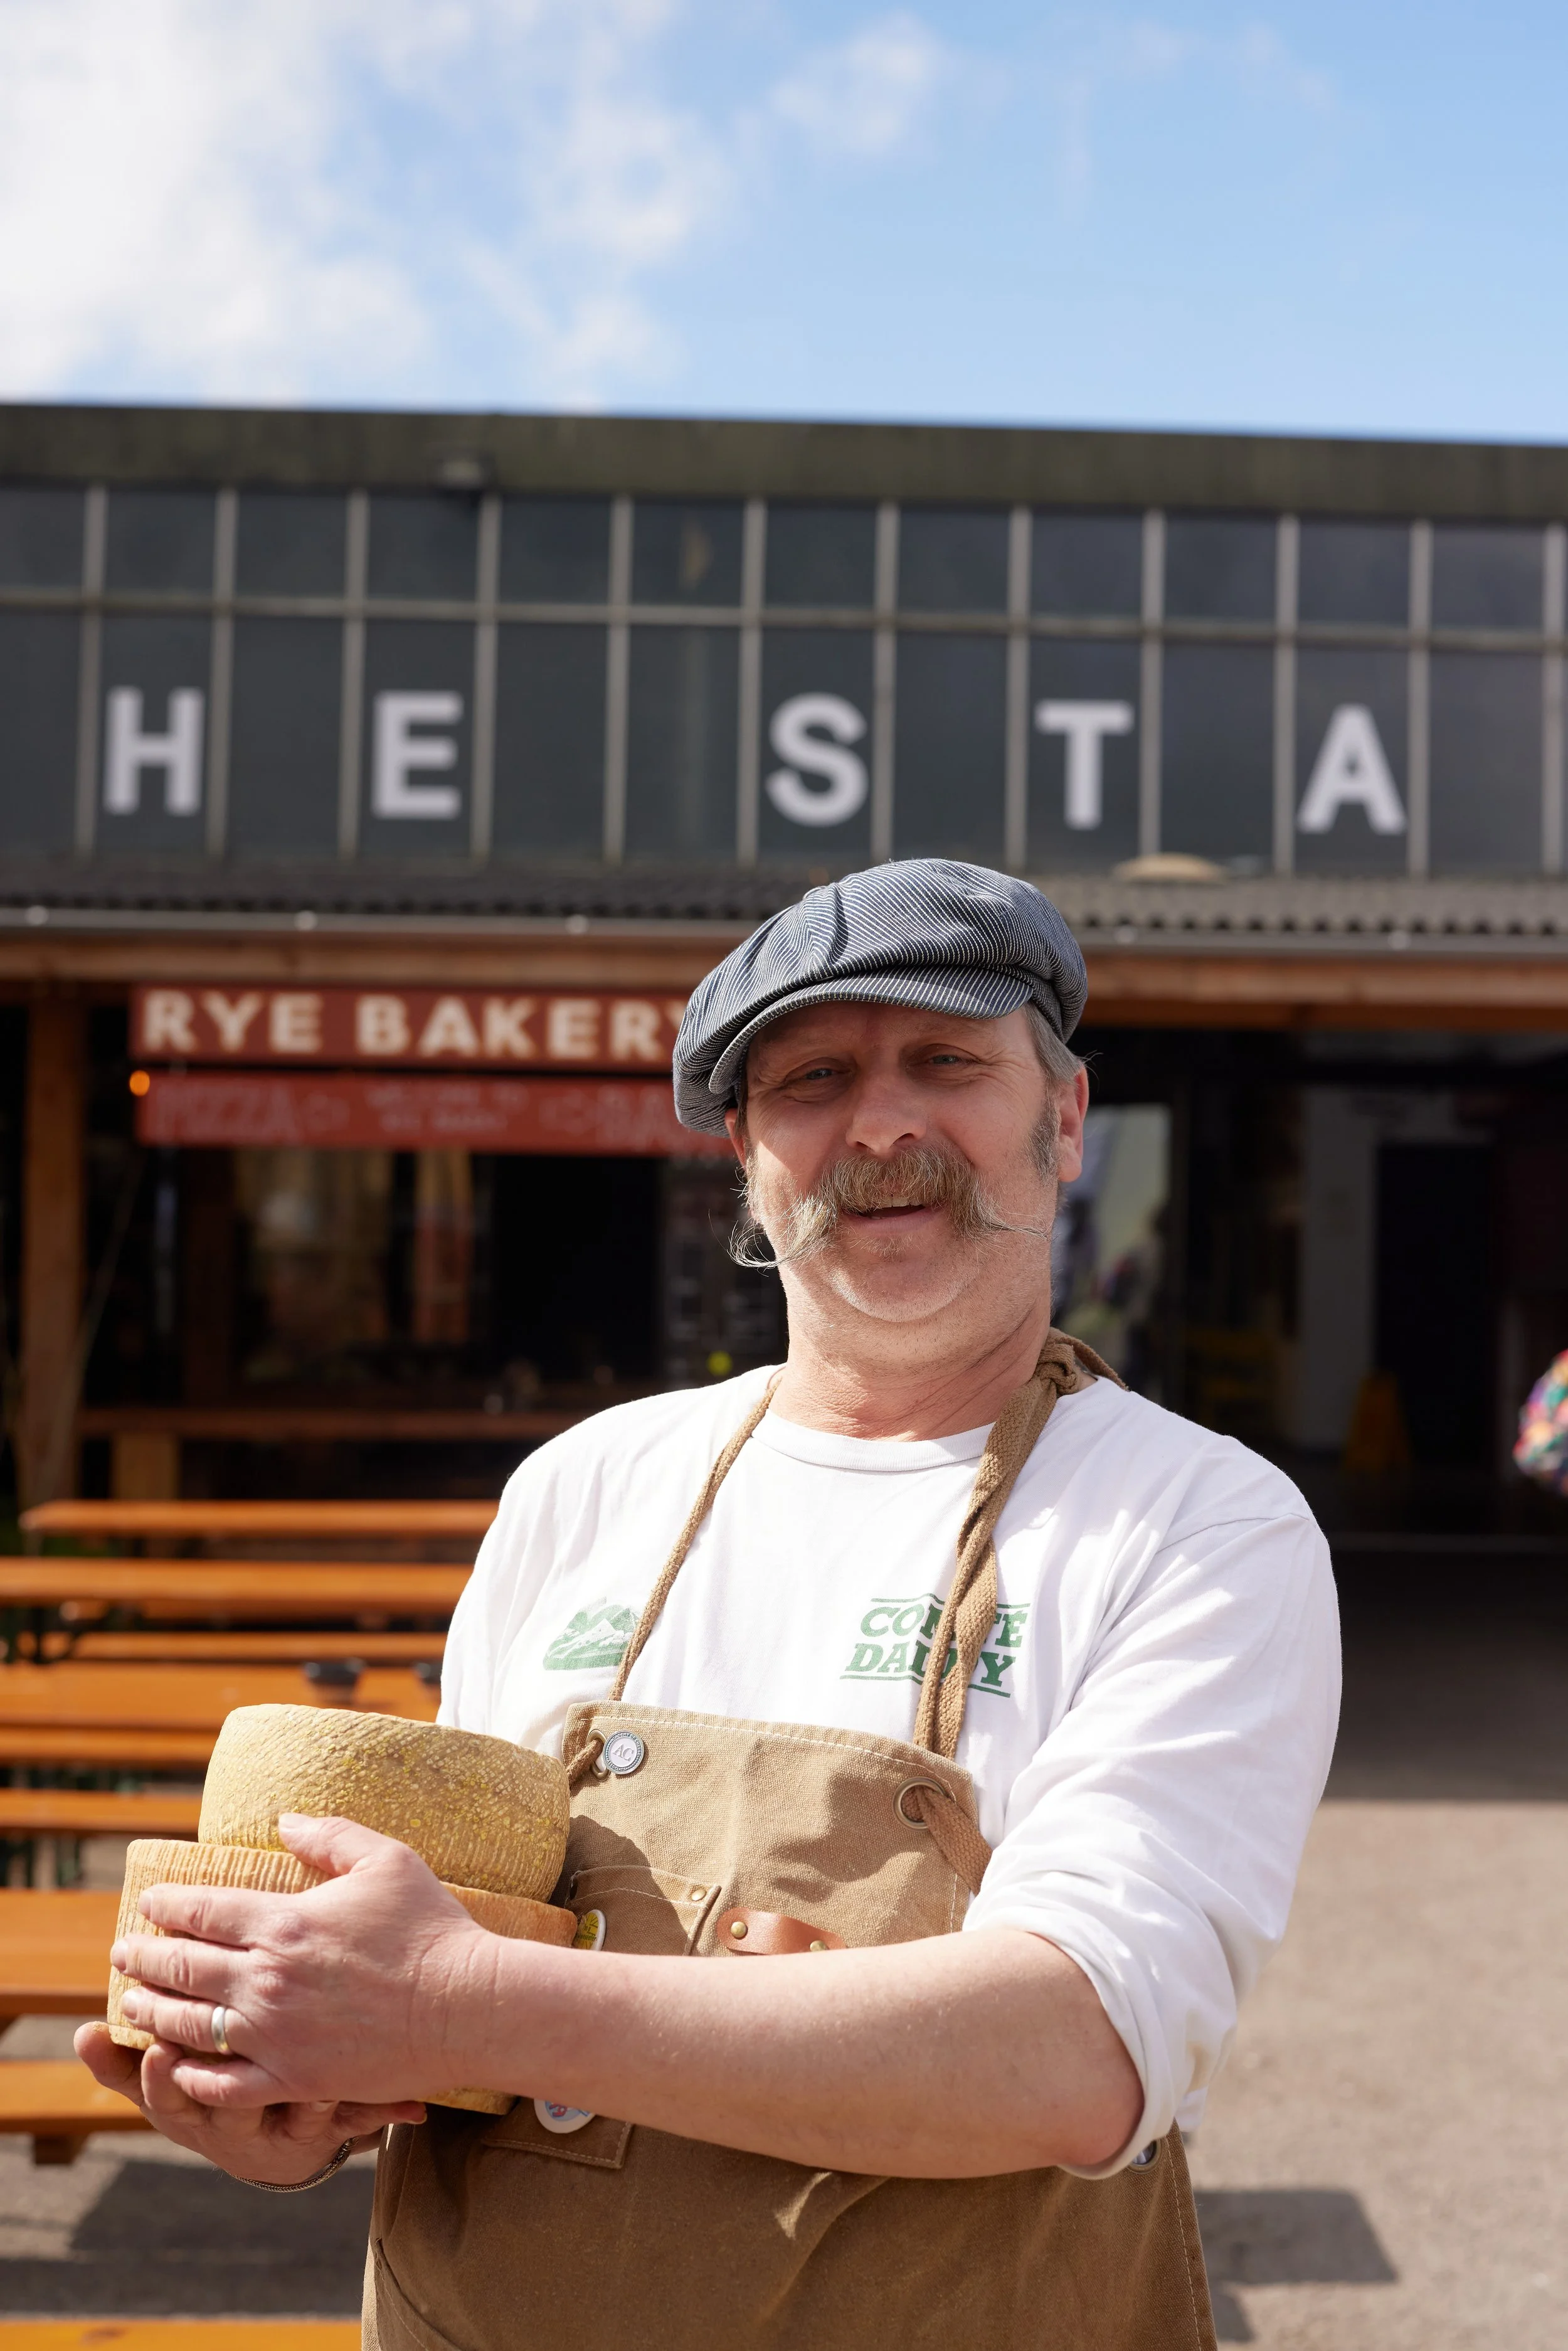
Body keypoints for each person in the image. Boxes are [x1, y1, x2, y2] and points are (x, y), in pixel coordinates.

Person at [82, 859, 1340, 2351]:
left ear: (1061, 1117)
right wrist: (307, 2089)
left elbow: (1074, 2049)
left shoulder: (1196, 1522)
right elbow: (455, 1994)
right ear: (745, 1150)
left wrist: (455, 2002)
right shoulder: (590, 1483)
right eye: (812, 1078)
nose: (880, 1123)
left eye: (946, 1059)